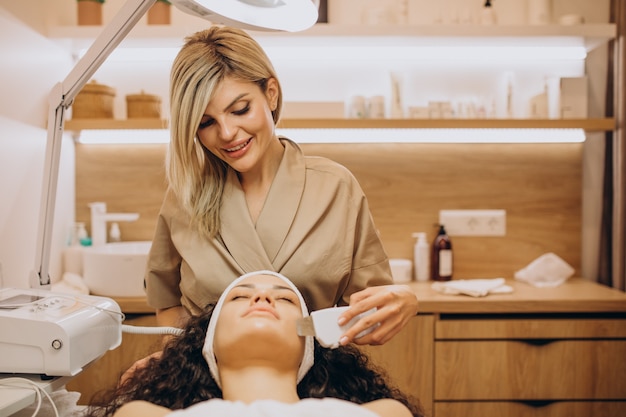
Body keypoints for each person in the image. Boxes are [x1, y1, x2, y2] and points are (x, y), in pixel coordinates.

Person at [145, 25, 418, 351]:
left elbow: (368, 309)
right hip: (207, 386)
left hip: (311, 387)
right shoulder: (185, 197)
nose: (228, 132)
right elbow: (166, 300)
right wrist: (175, 363)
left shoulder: (335, 188)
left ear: (271, 93)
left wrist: (404, 298)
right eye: (206, 123)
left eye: (240, 109)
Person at [86, 271, 424, 417]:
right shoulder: (140, 412)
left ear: (311, 343)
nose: (262, 296)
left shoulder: (384, 412)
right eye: (240, 297)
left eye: (286, 300)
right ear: (208, 343)